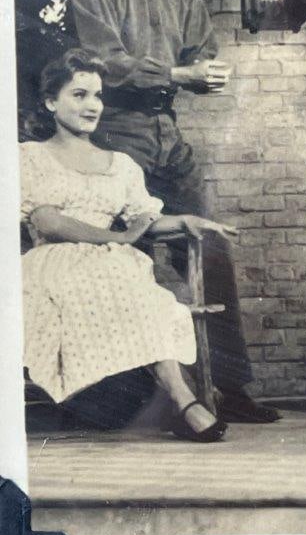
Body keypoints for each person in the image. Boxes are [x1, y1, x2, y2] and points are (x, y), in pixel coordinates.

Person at [69, 0, 279, 424]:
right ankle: (141, 399)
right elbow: (105, 64)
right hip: (118, 139)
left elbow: (201, 49)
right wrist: (179, 74)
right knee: (126, 263)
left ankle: (230, 389)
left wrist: (207, 70)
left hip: (168, 133)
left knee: (208, 249)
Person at [20, 49, 236, 442]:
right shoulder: (28, 157)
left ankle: (179, 398)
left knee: (145, 292)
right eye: (79, 94)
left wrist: (186, 220)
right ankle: (184, 402)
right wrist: (118, 238)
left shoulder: (120, 164)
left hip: (113, 267)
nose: (92, 105)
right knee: (123, 276)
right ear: (51, 102)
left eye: (98, 95)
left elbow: (147, 220)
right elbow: (46, 221)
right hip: (52, 265)